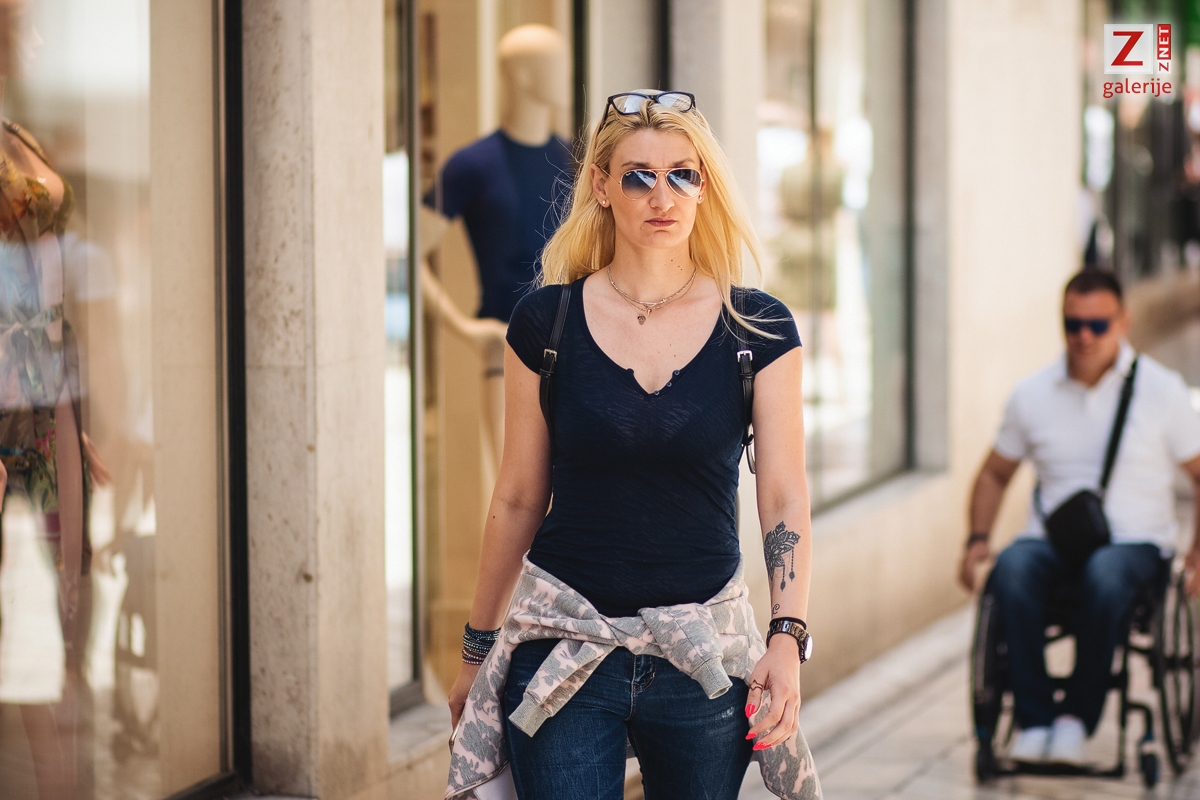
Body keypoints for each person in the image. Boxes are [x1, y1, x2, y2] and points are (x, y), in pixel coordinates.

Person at [444, 91, 821, 800]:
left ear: (704, 188)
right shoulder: (545, 323)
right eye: (639, 176)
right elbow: (518, 497)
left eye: (683, 174)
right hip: (564, 645)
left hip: (703, 656)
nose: (662, 196)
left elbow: (782, 495)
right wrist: (477, 651)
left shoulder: (758, 329)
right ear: (601, 186)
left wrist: (786, 637)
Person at [959, 269, 1200, 765]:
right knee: (1012, 566)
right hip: (1053, 543)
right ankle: (1035, 720)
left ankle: (1075, 720)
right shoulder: (1033, 393)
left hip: (1136, 546)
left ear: (1123, 321)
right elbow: (994, 474)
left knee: (1105, 573)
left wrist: (1197, 553)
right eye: (1073, 324)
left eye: (1098, 325)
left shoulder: (1163, 392)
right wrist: (977, 538)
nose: (1084, 336)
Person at [420, 24, 573, 468]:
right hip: (509, 348)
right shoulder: (473, 165)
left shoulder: (576, 161)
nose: (566, 75)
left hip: (580, 346)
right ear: (521, 75)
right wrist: (466, 329)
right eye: (555, 65)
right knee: (519, 490)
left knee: (578, 495)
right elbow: (409, 256)